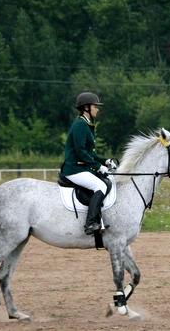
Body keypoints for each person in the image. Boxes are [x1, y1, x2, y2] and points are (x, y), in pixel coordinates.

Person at [60, 92, 115, 235]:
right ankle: (90, 224)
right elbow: (80, 151)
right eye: (95, 106)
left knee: (107, 182)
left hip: (81, 167)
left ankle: (97, 218)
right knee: (101, 186)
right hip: (74, 169)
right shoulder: (80, 125)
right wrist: (98, 167)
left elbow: (90, 153)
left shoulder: (86, 124)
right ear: (86, 108)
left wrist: (105, 161)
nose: (98, 109)